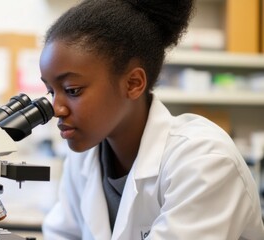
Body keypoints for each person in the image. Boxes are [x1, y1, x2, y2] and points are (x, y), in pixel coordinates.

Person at [39, 0, 264, 239]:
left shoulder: (205, 160)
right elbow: (62, 233)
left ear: (133, 83)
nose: (56, 109)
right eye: (51, 92)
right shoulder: (84, 160)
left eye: (72, 90)